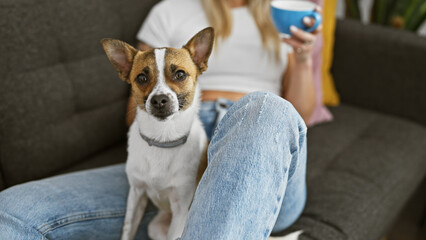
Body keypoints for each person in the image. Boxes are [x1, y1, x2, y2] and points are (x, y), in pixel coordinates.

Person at [0, 0, 321, 239]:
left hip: (259, 145)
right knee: (14, 211)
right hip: (170, 141)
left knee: (266, 108)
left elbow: (299, 115)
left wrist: (304, 57)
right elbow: (141, 98)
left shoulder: (280, 18)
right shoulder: (170, 10)